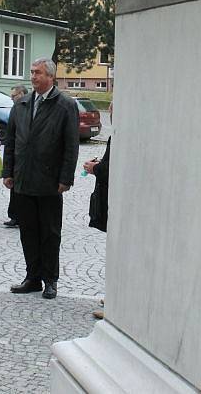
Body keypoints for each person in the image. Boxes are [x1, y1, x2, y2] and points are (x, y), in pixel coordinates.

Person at [3, 58, 79, 299]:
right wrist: (8, 171)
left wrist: (65, 178)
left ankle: (50, 279)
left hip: (49, 181)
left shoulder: (65, 104)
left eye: (38, 73)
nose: (33, 77)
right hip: (23, 178)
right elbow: (11, 140)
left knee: (49, 233)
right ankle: (32, 277)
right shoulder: (22, 104)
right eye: (32, 72)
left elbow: (71, 145)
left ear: (50, 77)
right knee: (28, 231)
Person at [83, 101, 112, 319]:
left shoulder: (122, 134)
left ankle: (115, 303)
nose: (110, 114)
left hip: (114, 200)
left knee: (117, 255)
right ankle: (113, 295)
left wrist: (95, 168)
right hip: (110, 199)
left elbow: (113, 169)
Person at [3, 84, 28, 228]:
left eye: (14, 95)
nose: (12, 98)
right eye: (11, 96)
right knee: (14, 189)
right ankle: (14, 216)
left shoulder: (28, 108)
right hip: (15, 157)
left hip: (25, 158)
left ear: (22, 94)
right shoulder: (15, 109)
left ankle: (22, 217)